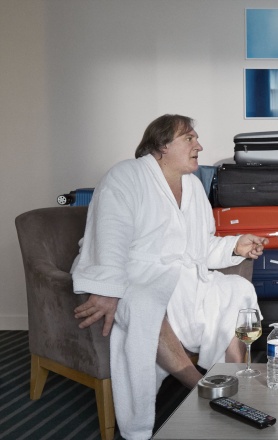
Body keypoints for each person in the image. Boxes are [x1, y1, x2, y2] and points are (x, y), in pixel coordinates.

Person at [71, 114, 267, 439]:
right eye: (189, 138)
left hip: (184, 278)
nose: (199, 145)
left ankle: (233, 375)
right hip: (138, 274)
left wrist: (236, 245)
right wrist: (107, 288)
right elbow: (109, 234)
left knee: (237, 288)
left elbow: (200, 245)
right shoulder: (126, 176)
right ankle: (200, 386)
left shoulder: (193, 186)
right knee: (144, 301)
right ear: (162, 144)